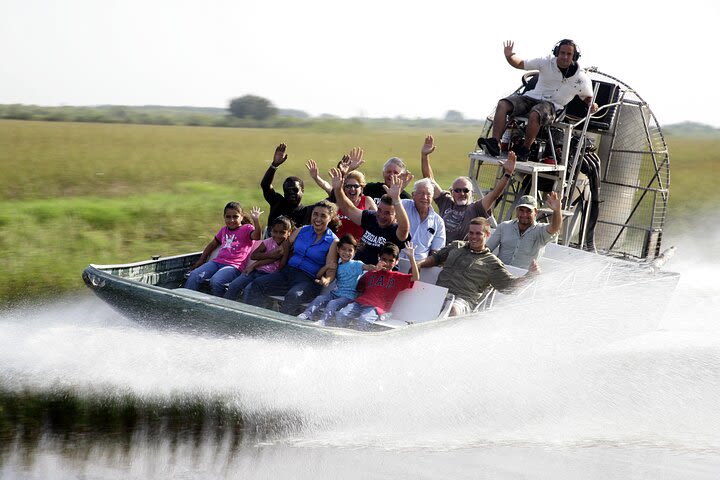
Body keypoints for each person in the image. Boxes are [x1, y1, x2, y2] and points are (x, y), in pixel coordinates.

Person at [478, 39, 598, 160]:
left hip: (552, 106)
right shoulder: (545, 62)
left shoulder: (582, 79)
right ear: (557, 52)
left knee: (536, 113)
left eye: (569, 54)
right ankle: (494, 142)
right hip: (531, 97)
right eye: (562, 53)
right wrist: (509, 56)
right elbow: (520, 63)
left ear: (575, 56)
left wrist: (591, 105)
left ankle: (525, 150)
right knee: (503, 104)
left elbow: (588, 97)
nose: (565, 57)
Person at [417, 217, 539, 316]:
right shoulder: (456, 246)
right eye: (471, 233)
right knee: (417, 299)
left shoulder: (491, 262)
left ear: (487, 234)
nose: (473, 237)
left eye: (478, 233)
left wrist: (529, 276)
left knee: (452, 310)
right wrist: (419, 264)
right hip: (438, 294)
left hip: (462, 302)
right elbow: (436, 258)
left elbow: (509, 286)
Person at [242, 200, 340, 315]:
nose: (318, 219)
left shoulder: (333, 241)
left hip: (307, 280)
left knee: (293, 296)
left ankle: (282, 330)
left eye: (323, 216)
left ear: (330, 218)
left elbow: (331, 269)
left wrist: (326, 280)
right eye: (315, 214)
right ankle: (255, 319)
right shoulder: (301, 230)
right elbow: (279, 251)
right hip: (287, 273)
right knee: (258, 284)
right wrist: (255, 264)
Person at [420, 134, 517, 243]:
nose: (462, 193)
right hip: (439, 249)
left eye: (466, 190)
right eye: (457, 190)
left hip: (461, 252)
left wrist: (508, 173)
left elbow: (495, 194)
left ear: (472, 193)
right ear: (452, 192)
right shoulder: (446, 202)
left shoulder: (476, 208)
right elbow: (429, 181)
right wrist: (424, 156)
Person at [328, 162, 411, 265]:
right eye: (380, 210)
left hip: (376, 276)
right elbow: (348, 208)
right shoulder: (371, 217)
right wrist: (338, 189)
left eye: (387, 213)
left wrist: (397, 199)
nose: (381, 216)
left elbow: (404, 228)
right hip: (356, 269)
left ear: (395, 216)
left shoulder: (395, 230)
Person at [335, 242, 419, 330]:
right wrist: (375, 269)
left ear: (397, 261)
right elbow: (358, 288)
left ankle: (359, 342)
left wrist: (411, 258)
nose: (386, 263)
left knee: (363, 321)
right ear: (379, 258)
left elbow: (415, 277)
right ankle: (343, 337)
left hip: (376, 308)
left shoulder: (397, 277)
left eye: (391, 261)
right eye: (384, 259)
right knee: (341, 315)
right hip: (359, 303)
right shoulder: (371, 272)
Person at [184, 203, 263, 296]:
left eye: (235, 217)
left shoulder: (247, 228)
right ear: (224, 217)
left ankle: (216, 305)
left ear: (241, 217)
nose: (231, 220)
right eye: (228, 217)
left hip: (234, 266)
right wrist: (201, 260)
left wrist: (256, 221)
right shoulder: (224, 230)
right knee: (194, 275)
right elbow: (211, 245)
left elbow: (257, 237)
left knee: (216, 281)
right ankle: (187, 298)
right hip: (216, 263)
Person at [297, 234, 376, 325]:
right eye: (343, 249)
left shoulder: (357, 264)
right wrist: (326, 269)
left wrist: (376, 267)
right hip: (335, 294)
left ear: (354, 252)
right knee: (320, 298)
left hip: (348, 297)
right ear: (338, 250)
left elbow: (368, 267)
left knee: (332, 303)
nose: (346, 253)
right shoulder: (337, 263)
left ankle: (323, 321)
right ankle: (307, 314)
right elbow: (319, 275)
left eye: (350, 250)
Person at [305, 152, 378, 240]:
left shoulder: (367, 201)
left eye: (355, 186)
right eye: (348, 186)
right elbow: (326, 186)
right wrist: (316, 177)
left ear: (361, 188)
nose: (352, 189)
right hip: (338, 245)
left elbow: (377, 223)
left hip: (359, 246)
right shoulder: (339, 198)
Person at [223, 215, 293, 300]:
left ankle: (245, 311)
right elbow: (254, 255)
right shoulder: (268, 242)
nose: (278, 235)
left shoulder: (288, 247)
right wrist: (270, 255)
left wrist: (285, 252)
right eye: (275, 231)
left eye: (282, 232)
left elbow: (281, 267)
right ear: (271, 231)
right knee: (234, 285)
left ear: (289, 232)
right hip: (255, 271)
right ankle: (225, 307)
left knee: (249, 290)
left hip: (269, 276)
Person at [486, 192, 563, 269]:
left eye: (528, 211)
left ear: (535, 212)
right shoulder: (504, 226)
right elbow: (487, 249)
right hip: (500, 273)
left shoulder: (540, 230)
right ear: (517, 211)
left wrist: (557, 210)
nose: (524, 214)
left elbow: (554, 228)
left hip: (524, 278)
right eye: (521, 210)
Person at [261, 143, 312, 229]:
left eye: (295, 190)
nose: (291, 194)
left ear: (302, 191)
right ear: (284, 193)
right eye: (287, 191)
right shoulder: (277, 202)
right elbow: (265, 185)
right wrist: (274, 165)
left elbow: (332, 200)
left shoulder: (307, 212)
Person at [399, 177, 446, 261]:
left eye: (428, 194)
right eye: (421, 193)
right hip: (396, 260)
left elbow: (436, 252)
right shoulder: (403, 205)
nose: (424, 197)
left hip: (420, 265)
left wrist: (421, 265)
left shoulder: (438, 222)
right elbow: (387, 207)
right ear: (413, 195)